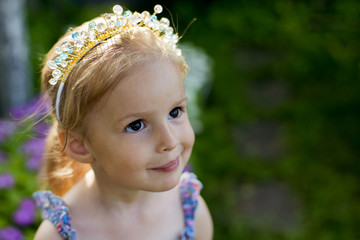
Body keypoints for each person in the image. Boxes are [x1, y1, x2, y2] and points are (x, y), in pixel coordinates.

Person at [32, 4, 213, 240]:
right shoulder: (60, 235)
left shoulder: (189, 210)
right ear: (80, 145)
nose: (169, 141)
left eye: (175, 111)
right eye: (136, 125)